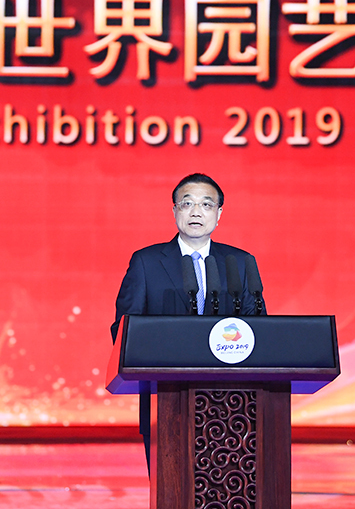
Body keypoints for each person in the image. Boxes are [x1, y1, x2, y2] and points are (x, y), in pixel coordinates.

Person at [110, 173, 267, 471]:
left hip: (232, 403)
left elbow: (258, 327)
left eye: (206, 204)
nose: (196, 211)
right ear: (174, 211)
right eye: (187, 203)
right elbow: (124, 329)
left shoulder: (239, 262)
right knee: (170, 484)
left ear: (219, 214)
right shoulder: (146, 262)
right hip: (165, 397)